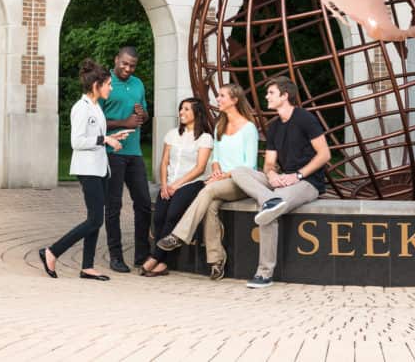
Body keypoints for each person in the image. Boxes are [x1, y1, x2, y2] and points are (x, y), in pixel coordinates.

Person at [230, 75, 330, 289]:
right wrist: (272, 175)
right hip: (281, 179)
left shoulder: (305, 118)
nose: (266, 96)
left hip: (307, 182)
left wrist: (298, 175)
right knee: (239, 172)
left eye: (271, 93)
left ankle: (264, 273)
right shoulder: (274, 127)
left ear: (285, 96)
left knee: (269, 212)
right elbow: (269, 163)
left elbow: (324, 154)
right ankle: (269, 200)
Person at [155, 82, 259, 280]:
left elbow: (250, 165)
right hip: (220, 181)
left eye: (221, 96)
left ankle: (178, 236)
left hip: (241, 181)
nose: (217, 99)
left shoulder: (248, 129)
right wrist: (217, 171)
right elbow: (216, 159)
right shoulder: (220, 125)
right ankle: (216, 261)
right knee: (210, 205)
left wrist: (224, 176)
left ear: (235, 100)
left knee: (207, 191)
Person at [39, 59, 129, 281]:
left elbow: (95, 138)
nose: (111, 87)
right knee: (95, 220)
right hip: (87, 169)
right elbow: (76, 142)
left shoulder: (96, 107)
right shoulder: (80, 108)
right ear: (96, 85)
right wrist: (105, 139)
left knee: (94, 217)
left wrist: (110, 138)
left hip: (100, 168)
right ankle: (52, 252)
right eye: (108, 84)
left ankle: (87, 266)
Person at [139, 98, 214, 277]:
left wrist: (176, 185)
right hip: (169, 183)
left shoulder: (205, 138)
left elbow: (200, 168)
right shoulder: (172, 134)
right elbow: (164, 162)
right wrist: (165, 184)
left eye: (186, 109)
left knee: (172, 215)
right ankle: (162, 262)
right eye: (181, 109)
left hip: (191, 183)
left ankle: (155, 258)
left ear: (197, 113)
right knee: (158, 218)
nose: (181, 112)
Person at [101, 46, 152, 273]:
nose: (128, 69)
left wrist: (143, 115)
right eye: (124, 64)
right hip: (113, 153)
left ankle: (141, 255)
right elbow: (97, 121)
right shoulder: (105, 83)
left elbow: (145, 115)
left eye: (132, 65)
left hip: (135, 153)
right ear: (116, 60)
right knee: (114, 206)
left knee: (143, 204)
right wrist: (124, 123)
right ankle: (116, 256)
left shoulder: (138, 84)